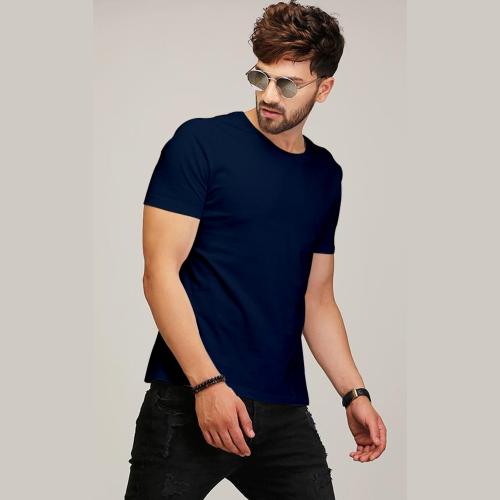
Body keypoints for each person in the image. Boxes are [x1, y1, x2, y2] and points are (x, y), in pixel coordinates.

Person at [125, 1, 387, 498]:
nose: (269, 94)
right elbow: (160, 272)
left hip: (281, 410)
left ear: (323, 88)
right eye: (260, 77)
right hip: (188, 399)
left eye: (288, 84)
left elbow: (317, 298)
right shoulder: (200, 143)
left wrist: (354, 393)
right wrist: (207, 386)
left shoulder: (324, 175)